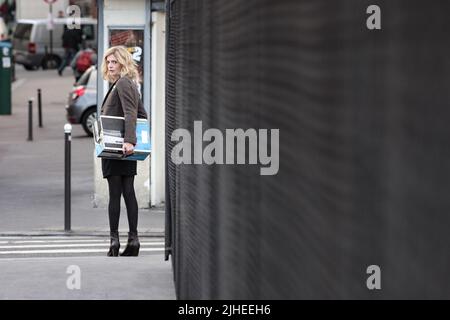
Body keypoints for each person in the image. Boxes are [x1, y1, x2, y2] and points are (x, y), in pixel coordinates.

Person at [100, 46, 148, 257]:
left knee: (118, 193)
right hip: (121, 145)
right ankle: (130, 240)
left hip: (119, 146)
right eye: (108, 62)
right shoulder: (123, 84)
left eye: (114, 62)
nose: (110, 66)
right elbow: (141, 112)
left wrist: (129, 140)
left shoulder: (123, 83)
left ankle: (117, 241)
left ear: (123, 63)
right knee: (126, 191)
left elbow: (132, 113)